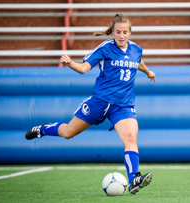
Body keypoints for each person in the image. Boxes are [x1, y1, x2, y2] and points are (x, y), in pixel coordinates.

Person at [25, 13, 156, 195]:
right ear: (113, 32)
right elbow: (84, 68)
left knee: (131, 139)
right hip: (99, 103)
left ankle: (134, 178)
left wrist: (148, 72)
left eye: (125, 32)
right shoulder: (105, 48)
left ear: (130, 32)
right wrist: (70, 62)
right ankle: (44, 129)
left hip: (123, 106)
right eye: (118, 32)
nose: (121, 36)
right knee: (67, 133)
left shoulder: (136, 49)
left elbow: (138, 62)